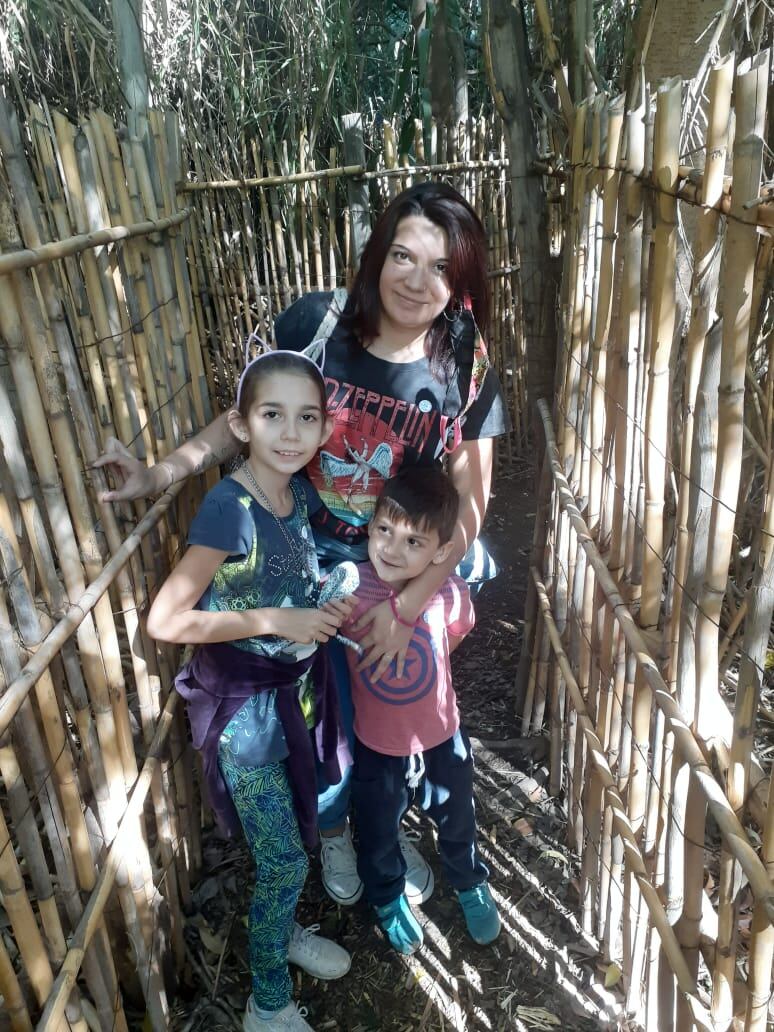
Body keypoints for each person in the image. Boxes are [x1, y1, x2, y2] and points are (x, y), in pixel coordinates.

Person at [96, 181, 510, 910]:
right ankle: (340, 826)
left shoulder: (464, 364)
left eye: (441, 268)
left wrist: (411, 605)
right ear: (377, 254)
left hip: (400, 563)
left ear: (463, 280)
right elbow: (244, 423)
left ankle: (382, 820)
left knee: (399, 697)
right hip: (306, 556)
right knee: (333, 719)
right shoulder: (318, 325)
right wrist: (159, 473)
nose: (417, 280)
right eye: (403, 256)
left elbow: (471, 502)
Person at [146, 350, 355, 1032]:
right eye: (272, 416)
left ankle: (283, 926)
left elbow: (292, 579)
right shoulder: (227, 508)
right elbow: (167, 620)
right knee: (286, 855)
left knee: (290, 838)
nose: (290, 433)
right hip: (244, 715)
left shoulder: (295, 494)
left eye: (306, 418)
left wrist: (323, 602)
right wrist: (275, 620)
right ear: (240, 424)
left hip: (288, 696)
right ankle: (265, 1000)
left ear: (326, 428)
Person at [340, 466, 500, 955]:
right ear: (370, 525)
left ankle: (469, 880)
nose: (392, 548)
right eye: (385, 530)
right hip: (376, 742)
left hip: (441, 735)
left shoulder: (445, 590)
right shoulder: (349, 591)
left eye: (414, 542)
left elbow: (458, 630)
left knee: (457, 815)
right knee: (378, 827)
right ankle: (387, 897)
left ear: (442, 552)